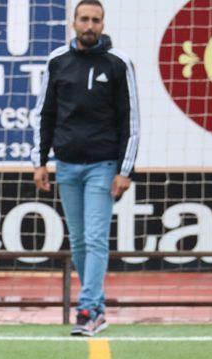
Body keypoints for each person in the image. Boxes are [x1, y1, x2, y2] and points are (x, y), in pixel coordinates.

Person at [31, 0, 139, 336]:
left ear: (102, 24)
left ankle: (88, 308)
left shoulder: (119, 62)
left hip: (103, 166)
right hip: (66, 165)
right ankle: (98, 307)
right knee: (78, 241)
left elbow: (131, 120)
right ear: (74, 22)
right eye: (84, 19)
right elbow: (45, 114)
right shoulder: (57, 61)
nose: (89, 25)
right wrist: (40, 162)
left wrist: (125, 170)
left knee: (95, 238)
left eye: (95, 20)